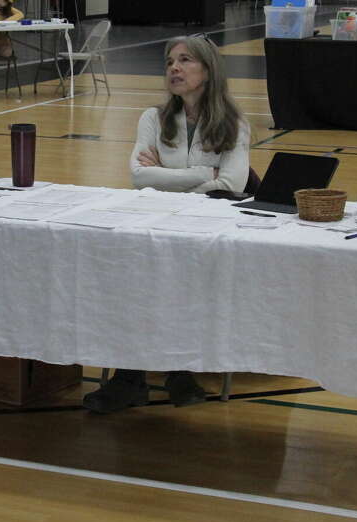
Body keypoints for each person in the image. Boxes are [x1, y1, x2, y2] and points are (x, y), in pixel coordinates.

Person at [82, 35, 251, 415]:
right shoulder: (152, 118)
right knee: (131, 275)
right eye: (170, 62)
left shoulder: (234, 123)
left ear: (207, 71)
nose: (174, 68)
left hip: (207, 227)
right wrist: (202, 173)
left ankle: (179, 368)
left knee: (181, 281)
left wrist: (167, 176)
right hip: (154, 223)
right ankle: (130, 378)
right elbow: (140, 177)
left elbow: (232, 186)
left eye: (185, 60)